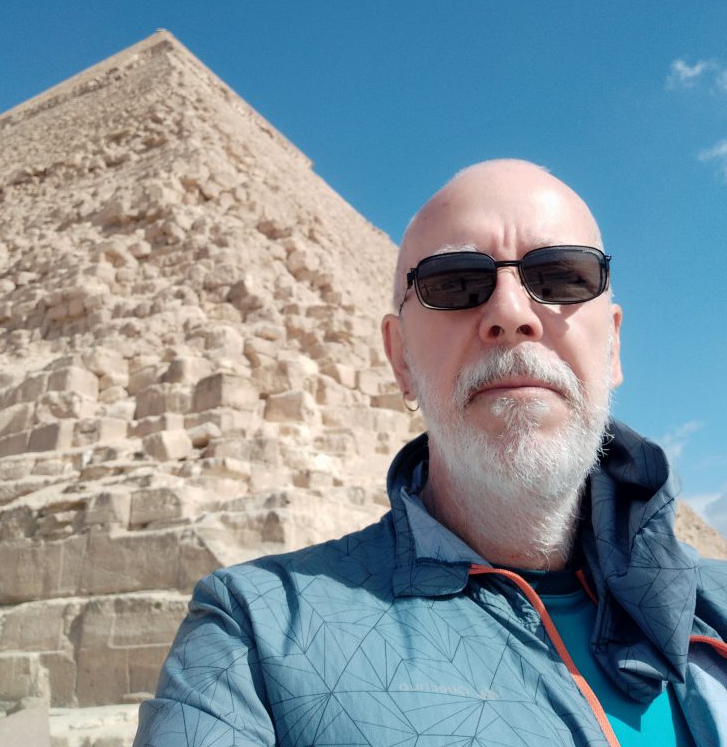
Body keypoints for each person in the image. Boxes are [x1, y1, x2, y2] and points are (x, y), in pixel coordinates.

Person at [134, 159, 727, 746]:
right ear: (400, 359)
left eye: (562, 277)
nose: (511, 313)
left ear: (614, 344)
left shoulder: (716, 602)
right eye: (455, 285)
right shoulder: (254, 637)